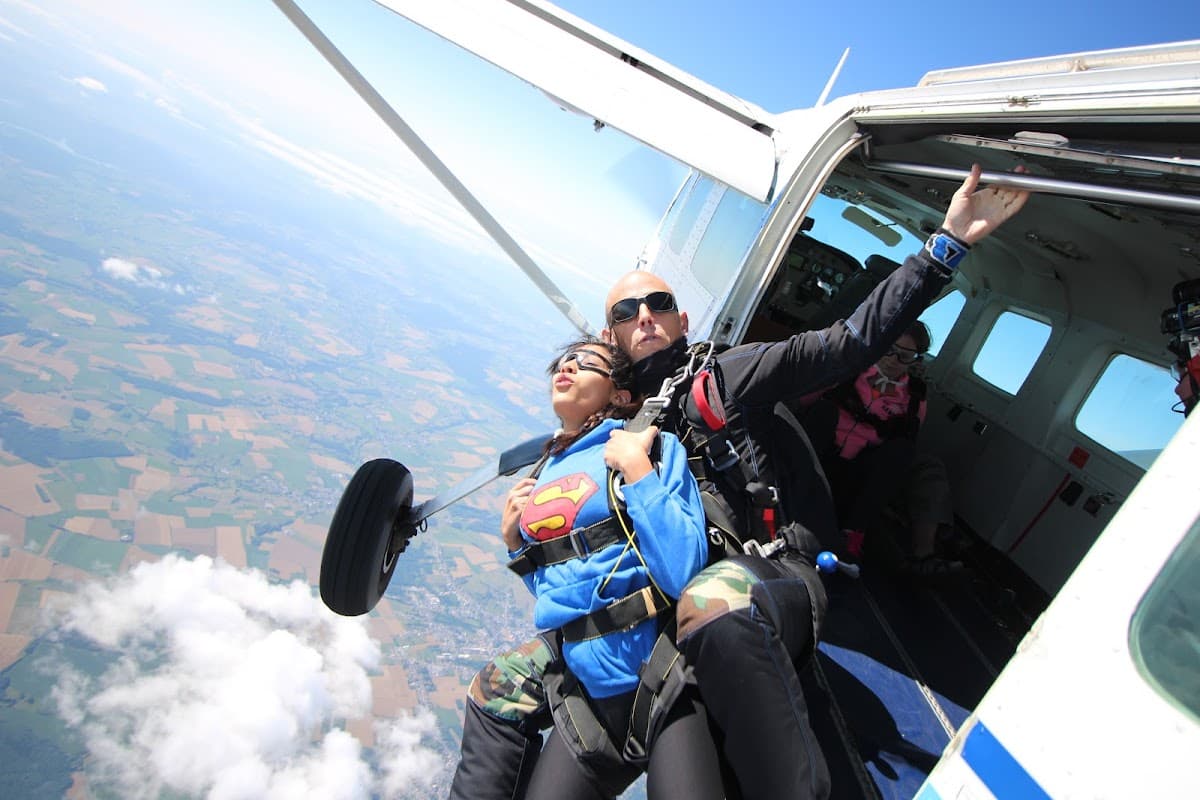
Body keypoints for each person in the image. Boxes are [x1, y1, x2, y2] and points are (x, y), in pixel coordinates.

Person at [449, 163, 1029, 800]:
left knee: (713, 601)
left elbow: (844, 344)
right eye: (627, 312)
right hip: (674, 596)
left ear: (683, 319)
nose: (646, 317)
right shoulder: (614, 425)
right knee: (511, 682)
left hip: (769, 576)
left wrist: (943, 249)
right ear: (611, 335)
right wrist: (522, 542)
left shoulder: (726, 376)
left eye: (659, 305)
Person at [503, 337, 722, 799]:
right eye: (562, 361)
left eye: (586, 363)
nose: (567, 367)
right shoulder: (544, 471)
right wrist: (516, 546)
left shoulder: (649, 447)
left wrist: (638, 470)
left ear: (620, 395)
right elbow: (558, 592)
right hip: (587, 698)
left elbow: (684, 571)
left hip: (664, 680)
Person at [798, 321, 963, 578]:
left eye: (904, 356)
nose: (893, 360)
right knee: (823, 411)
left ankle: (855, 534)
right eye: (889, 350)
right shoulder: (849, 368)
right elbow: (802, 401)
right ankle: (792, 495)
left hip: (857, 477)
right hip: (818, 457)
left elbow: (902, 450)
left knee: (904, 450)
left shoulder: (914, 398)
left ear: (915, 360)